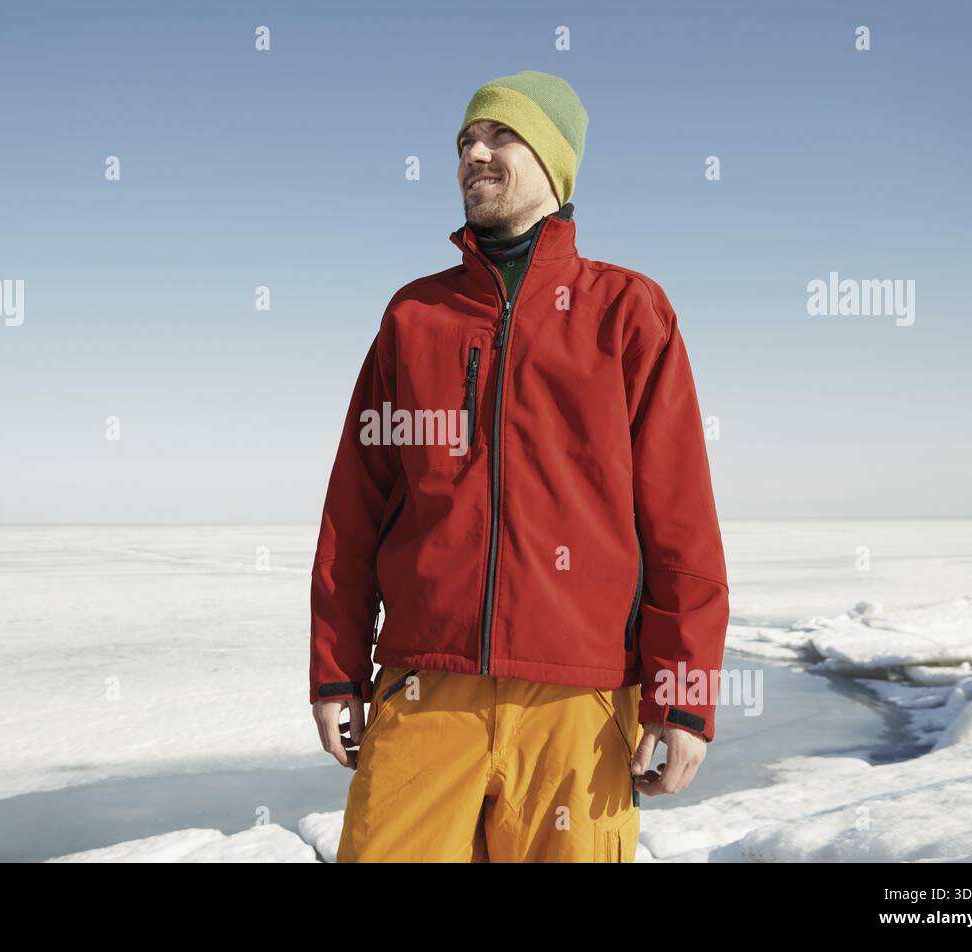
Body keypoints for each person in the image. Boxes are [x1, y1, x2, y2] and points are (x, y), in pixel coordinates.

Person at [308, 70, 729, 862]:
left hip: (582, 698)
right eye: (467, 140)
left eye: (501, 135)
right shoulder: (415, 315)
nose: (475, 151)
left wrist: (684, 696)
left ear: (554, 160)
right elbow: (354, 508)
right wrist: (336, 672)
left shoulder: (628, 312)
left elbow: (680, 521)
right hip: (423, 687)